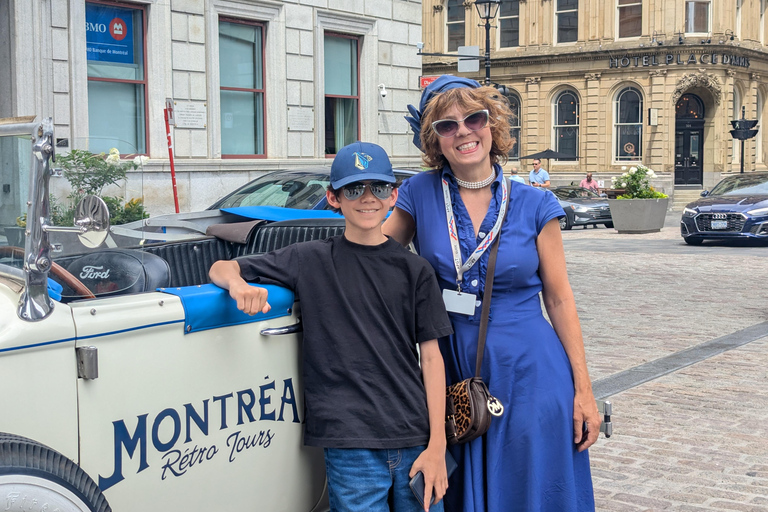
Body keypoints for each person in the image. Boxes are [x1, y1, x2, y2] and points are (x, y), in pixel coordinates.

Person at [388, 75, 600, 512]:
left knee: (530, 486)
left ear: (492, 124)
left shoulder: (535, 204)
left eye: (474, 118)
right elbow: (369, 255)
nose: (463, 131)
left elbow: (559, 300)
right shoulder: (418, 193)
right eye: (447, 125)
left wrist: (584, 391)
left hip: (530, 371)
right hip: (449, 368)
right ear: (434, 139)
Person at [210, 141, 454, 512]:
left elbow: (433, 360)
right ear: (333, 198)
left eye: (379, 187)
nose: (367, 198)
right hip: (349, 441)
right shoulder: (309, 259)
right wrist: (239, 285)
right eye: (354, 189)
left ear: (394, 195)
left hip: (414, 436)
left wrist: (438, 445)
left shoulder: (415, 271)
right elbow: (222, 268)